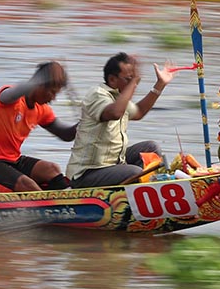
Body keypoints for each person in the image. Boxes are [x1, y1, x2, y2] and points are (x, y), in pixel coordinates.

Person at [66, 52, 173, 188]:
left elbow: (139, 112)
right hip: (87, 173)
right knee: (134, 172)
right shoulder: (97, 94)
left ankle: (138, 189)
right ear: (112, 80)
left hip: (114, 165)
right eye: (128, 79)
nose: (133, 83)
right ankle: (133, 191)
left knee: (151, 148)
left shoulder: (120, 98)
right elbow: (115, 113)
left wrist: (160, 84)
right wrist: (133, 82)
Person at [0, 61, 78, 193]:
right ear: (39, 85)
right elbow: (16, 90)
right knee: (26, 184)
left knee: (52, 169)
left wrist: (87, 122)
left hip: (13, 161)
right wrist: (43, 76)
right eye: (52, 92)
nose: (53, 98)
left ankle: (69, 198)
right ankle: (52, 207)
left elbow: (66, 134)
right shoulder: (9, 99)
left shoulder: (42, 110)